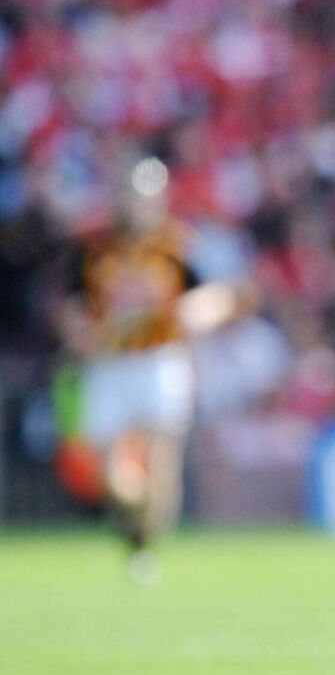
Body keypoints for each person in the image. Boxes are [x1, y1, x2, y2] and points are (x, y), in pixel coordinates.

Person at [57, 197, 250, 582]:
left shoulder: (177, 243)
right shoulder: (94, 246)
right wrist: (77, 331)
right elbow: (71, 305)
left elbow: (224, 295)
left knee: (163, 458)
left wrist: (196, 310)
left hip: (159, 360)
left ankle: (145, 544)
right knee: (111, 477)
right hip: (111, 364)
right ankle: (136, 523)